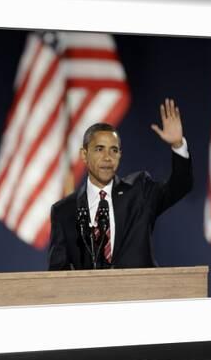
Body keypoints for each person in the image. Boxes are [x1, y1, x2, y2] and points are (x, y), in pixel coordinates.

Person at [48, 98, 192, 270]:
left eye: (113, 150)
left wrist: (178, 145)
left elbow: (180, 185)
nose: (107, 157)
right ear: (84, 154)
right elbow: (58, 272)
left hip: (141, 294)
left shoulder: (140, 191)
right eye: (99, 149)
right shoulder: (64, 211)